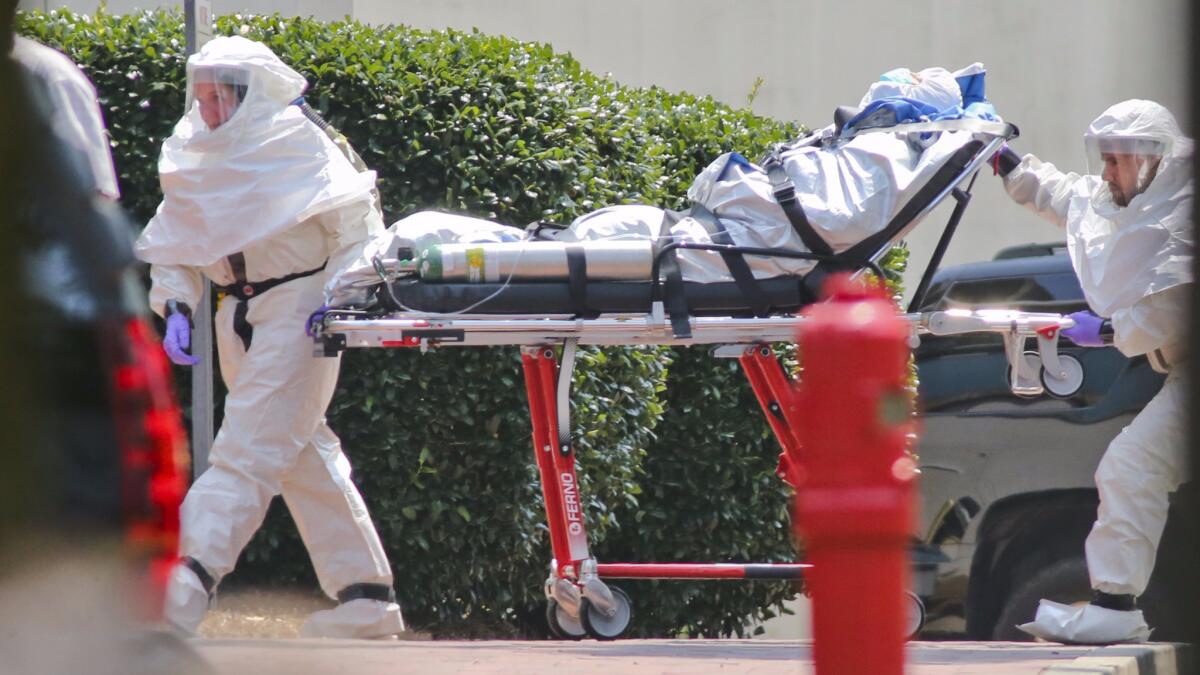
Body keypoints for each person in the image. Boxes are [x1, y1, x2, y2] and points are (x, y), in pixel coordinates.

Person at [134, 36, 404, 639]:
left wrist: (340, 296)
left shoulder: (297, 142)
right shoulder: (194, 150)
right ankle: (368, 599)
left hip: (298, 308)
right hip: (237, 311)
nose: (205, 109)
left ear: (248, 94)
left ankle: (181, 588)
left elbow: (358, 228)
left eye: (217, 96)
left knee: (245, 453)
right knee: (301, 453)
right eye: (198, 96)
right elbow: (176, 237)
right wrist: (176, 305)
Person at [993, 99, 1192, 644]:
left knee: (1132, 466)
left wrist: (1103, 332)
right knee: (1131, 468)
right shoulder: (1136, 200)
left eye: (1115, 161)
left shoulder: (1183, 213)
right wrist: (1002, 161)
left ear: (1150, 159)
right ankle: (1114, 605)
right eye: (1103, 159)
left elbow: (1166, 313)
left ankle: (1115, 605)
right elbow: (1067, 197)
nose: (1105, 174)